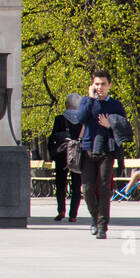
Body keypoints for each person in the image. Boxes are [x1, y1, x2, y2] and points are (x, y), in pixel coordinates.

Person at [75, 69, 131, 239]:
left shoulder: (115, 105)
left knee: (104, 188)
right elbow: (80, 119)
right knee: (87, 189)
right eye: (96, 84)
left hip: (107, 149)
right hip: (88, 148)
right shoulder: (87, 101)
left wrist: (110, 124)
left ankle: (102, 226)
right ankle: (94, 217)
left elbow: (124, 126)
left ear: (109, 85)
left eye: (103, 84)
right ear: (92, 85)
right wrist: (91, 99)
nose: (100, 87)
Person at [47, 94, 83, 222]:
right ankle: (73, 214)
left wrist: (52, 154)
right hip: (77, 155)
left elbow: (53, 138)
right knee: (76, 184)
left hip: (62, 154)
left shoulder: (59, 119)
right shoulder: (82, 119)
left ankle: (61, 210)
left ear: (66, 105)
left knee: (60, 183)